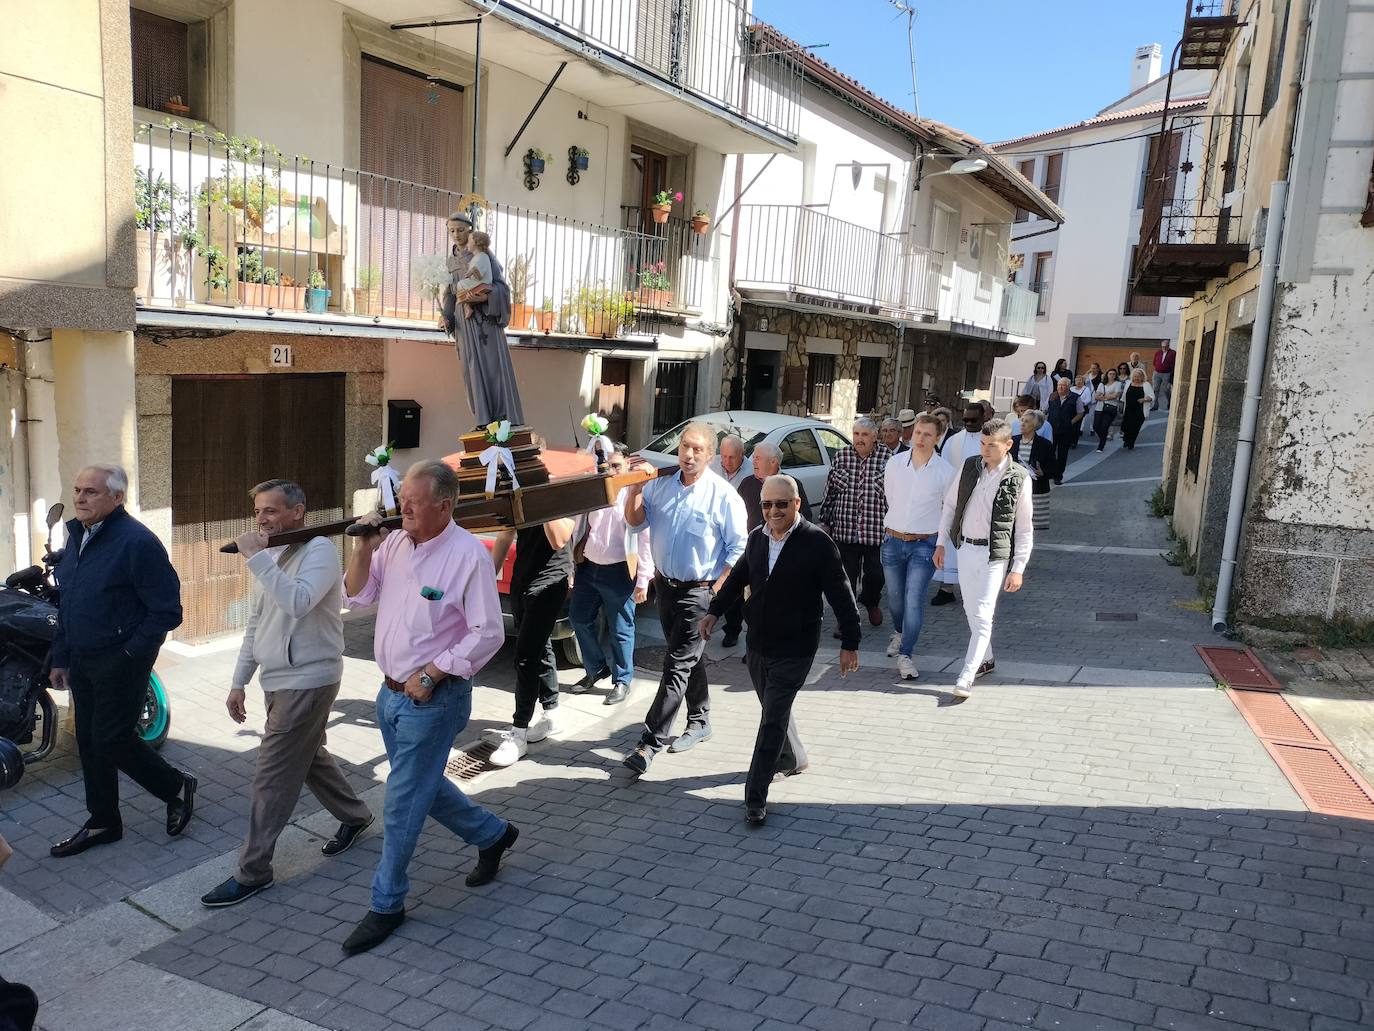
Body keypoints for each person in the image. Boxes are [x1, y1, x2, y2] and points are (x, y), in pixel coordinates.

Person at [341, 460, 516, 954]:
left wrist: (432, 672)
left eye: (414, 502)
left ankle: (386, 904)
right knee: (422, 789)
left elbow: (488, 631)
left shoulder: (466, 555)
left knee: (400, 803)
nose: (404, 509)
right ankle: (494, 835)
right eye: (403, 501)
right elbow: (358, 596)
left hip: (434, 698)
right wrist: (363, 546)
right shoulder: (394, 542)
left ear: (444, 504)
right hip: (390, 693)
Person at [201, 480, 374, 908]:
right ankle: (356, 817)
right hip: (277, 681)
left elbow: (298, 602)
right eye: (258, 511)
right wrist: (239, 680)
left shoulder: (318, 552)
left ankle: (253, 871)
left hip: (309, 680)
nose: (262, 519)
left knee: (272, 777)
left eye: (272, 511)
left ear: (298, 512)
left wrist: (258, 558)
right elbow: (258, 624)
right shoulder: (275, 555)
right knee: (311, 757)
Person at [47, 465, 195, 859]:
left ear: (117, 498)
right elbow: (69, 603)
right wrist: (61, 656)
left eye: (91, 492)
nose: (79, 498)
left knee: (111, 737)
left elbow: (167, 611)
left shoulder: (136, 542)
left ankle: (175, 786)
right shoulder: (78, 535)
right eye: (77, 490)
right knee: (89, 741)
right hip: (82, 658)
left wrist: (129, 654)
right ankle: (103, 821)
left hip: (121, 660)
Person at [701, 475, 860, 826]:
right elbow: (739, 576)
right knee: (773, 708)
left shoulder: (817, 542)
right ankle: (792, 758)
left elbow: (842, 594)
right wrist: (714, 611)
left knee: (771, 720)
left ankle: (755, 795)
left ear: (797, 504)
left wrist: (850, 643)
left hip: (797, 647)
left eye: (781, 504)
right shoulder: (757, 538)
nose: (773, 511)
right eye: (767, 505)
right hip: (758, 643)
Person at [621, 424, 747, 774]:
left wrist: (717, 589)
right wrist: (633, 489)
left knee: (676, 664)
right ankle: (701, 718)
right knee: (687, 657)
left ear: (710, 455)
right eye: (684, 448)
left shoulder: (722, 496)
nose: (689, 455)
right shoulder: (660, 485)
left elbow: (739, 549)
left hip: (700, 591)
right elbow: (634, 523)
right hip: (666, 586)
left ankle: (649, 743)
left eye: (697, 450)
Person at [936, 419, 1033, 699]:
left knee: (982, 613)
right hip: (965, 549)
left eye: (992, 445)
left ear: (1008, 445)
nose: (985, 450)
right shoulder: (970, 467)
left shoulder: (1019, 477)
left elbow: (1025, 528)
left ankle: (967, 673)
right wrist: (941, 543)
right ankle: (986, 659)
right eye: (982, 443)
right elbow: (951, 505)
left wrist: (1018, 568)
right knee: (970, 610)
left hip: (995, 554)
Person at [485, 515, 577, 766]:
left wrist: (543, 500)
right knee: (540, 647)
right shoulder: (519, 489)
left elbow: (559, 539)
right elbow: (505, 534)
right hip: (522, 578)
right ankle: (552, 712)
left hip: (551, 581)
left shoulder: (563, 492)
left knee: (525, 656)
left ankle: (519, 733)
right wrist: (486, 580)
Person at [568, 446, 653, 705]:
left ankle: (622, 680)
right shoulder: (595, 492)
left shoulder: (634, 494)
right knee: (578, 619)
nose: (610, 471)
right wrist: (573, 567)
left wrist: (643, 579)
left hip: (619, 571)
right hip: (589, 567)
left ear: (627, 465)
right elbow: (579, 528)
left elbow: (645, 538)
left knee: (621, 630)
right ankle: (596, 669)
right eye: (606, 466)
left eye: (616, 466)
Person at [881, 414, 955, 680]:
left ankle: (906, 654)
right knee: (895, 598)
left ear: (937, 439)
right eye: (918, 433)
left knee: (914, 599)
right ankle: (900, 632)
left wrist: (941, 544)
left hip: (924, 544)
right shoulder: (895, 464)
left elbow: (948, 510)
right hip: (892, 540)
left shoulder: (946, 472)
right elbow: (891, 497)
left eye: (927, 434)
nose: (921, 439)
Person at [440, 212, 524, 428]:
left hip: (485, 321)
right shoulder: (450, 261)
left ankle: (504, 419)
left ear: (470, 231)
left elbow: (502, 288)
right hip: (463, 324)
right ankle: (483, 421)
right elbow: (449, 293)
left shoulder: (484, 255)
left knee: (493, 369)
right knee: (471, 371)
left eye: (461, 230)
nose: (456, 234)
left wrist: (485, 297)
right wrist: (446, 317)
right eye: (452, 231)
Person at [728, 441, 812, 648]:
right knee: (740, 593)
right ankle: (733, 630)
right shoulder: (747, 484)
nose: (753, 461)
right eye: (753, 457)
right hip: (749, 550)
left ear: (773, 462)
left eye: (758, 457)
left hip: (778, 554)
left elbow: (805, 517)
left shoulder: (790, 485)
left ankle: (759, 641)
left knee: (766, 601)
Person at [816, 417, 891, 628]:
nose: (859, 439)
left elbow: (896, 495)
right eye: (856, 434)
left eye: (865, 435)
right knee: (845, 579)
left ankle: (871, 601)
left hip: (876, 532)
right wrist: (825, 521)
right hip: (845, 531)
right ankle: (846, 620)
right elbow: (829, 492)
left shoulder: (888, 458)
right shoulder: (841, 456)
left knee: (876, 576)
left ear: (875, 437)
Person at [929, 403, 987, 606]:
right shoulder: (953, 441)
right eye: (965, 420)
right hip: (955, 500)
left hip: (980, 503)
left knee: (976, 545)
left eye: (974, 420)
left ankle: (977, 590)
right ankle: (946, 588)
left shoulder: (989, 441)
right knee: (950, 542)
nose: (969, 424)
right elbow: (943, 470)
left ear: (983, 419)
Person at [1011, 410, 1055, 531]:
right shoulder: (1012, 441)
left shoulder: (1045, 444)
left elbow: (1053, 468)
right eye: (1022, 420)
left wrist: (1043, 473)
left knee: (1031, 527)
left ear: (1035, 426)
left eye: (1027, 421)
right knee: (1014, 524)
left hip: (1036, 489)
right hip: (1015, 488)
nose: (1022, 424)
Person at [1046, 377, 1086, 484]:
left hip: (1066, 430)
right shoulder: (1052, 396)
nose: (1060, 387)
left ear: (1068, 386)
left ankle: (1058, 476)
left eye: (1063, 385)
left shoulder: (1075, 398)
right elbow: (1046, 410)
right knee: (1050, 452)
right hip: (1052, 429)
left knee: (1062, 454)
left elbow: (1080, 413)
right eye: (1059, 385)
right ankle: (1051, 472)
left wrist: (1071, 422)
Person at [1120, 368, 1155, 450]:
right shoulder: (1128, 383)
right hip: (1128, 409)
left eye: (1139, 376)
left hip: (1140, 410)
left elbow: (1152, 397)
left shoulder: (1146, 384)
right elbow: (1124, 396)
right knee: (1126, 426)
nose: (1136, 378)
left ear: (1142, 377)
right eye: (1135, 376)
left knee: (1135, 427)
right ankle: (1126, 439)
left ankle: (1131, 442)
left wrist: (1144, 399)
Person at [1092, 369, 1123, 452]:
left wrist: (1103, 396)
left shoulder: (1118, 384)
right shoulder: (1102, 384)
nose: (1112, 375)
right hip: (1099, 407)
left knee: (1104, 426)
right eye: (1110, 374)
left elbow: (1115, 395)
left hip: (1111, 408)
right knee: (1096, 426)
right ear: (1107, 375)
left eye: (1114, 374)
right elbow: (1096, 396)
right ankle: (1103, 437)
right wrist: (1108, 396)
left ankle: (1101, 445)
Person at [1152, 340, 1175, 411]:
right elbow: (1154, 362)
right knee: (1155, 389)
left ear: (1168, 346)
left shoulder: (1173, 353)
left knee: (1166, 390)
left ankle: (1170, 404)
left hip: (1167, 373)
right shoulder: (1158, 352)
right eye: (1162, 347)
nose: (1164, 348)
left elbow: (1174, 363)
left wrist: (1172, 373)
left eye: (1165, 346)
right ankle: (1155, 405)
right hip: (1157, 373)